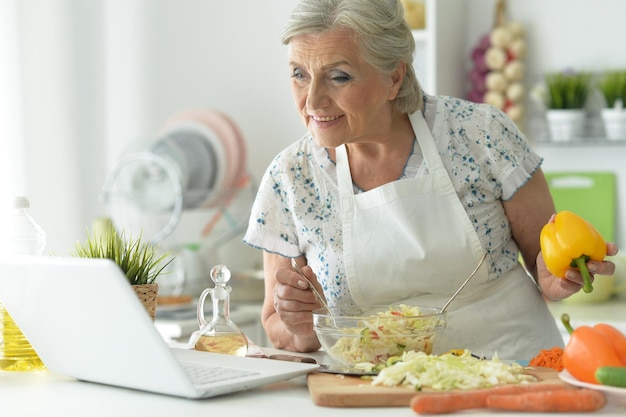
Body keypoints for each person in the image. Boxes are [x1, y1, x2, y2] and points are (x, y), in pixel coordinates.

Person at [243, 0, 619, 360]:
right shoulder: (289, 178)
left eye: (339, 77)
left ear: (394, 76)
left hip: (514, 371)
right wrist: (302, 323)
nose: (312, 102)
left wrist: (557, 279)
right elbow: (278, 324)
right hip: (376, 391)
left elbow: (545, 264)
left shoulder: (481, 134)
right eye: (299, 74)